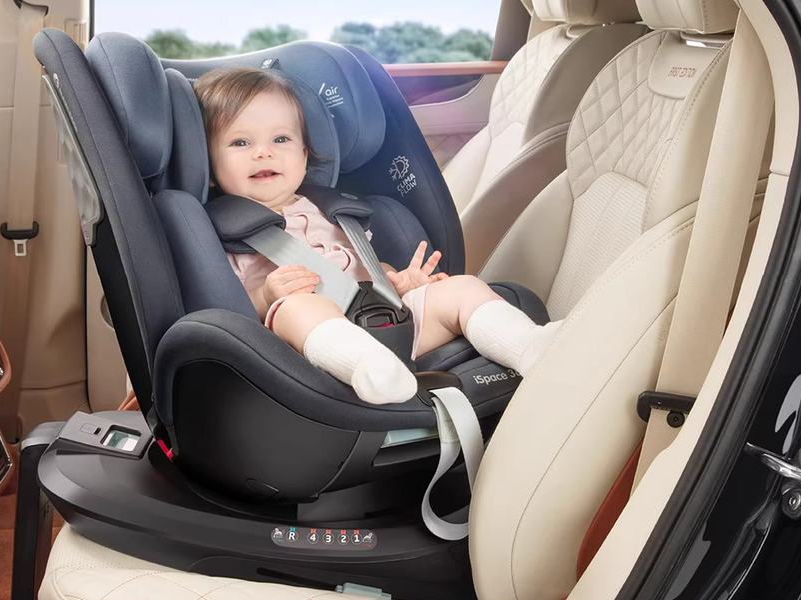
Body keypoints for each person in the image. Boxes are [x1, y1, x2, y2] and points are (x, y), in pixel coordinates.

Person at [195, 67, 559, 404]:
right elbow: (229, 306)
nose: (263, 152)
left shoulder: (336, 210)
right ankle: (369, 369)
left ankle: (530, 347)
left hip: (386, 322)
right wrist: (265, 296)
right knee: (295, 308)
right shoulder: (223, 233)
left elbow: (363, 268)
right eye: (240, 143)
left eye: (280, 139)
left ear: (304, 155)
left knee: (462, 287)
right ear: (209, 166)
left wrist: (398, 282)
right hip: (309, 352)